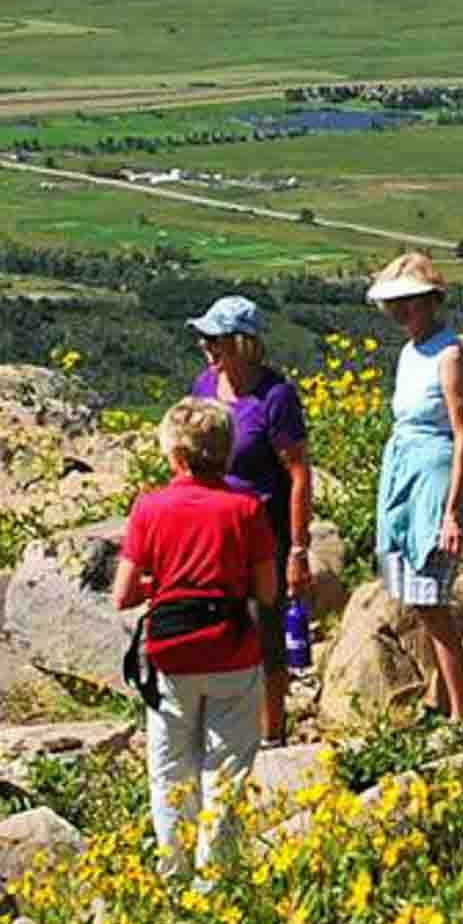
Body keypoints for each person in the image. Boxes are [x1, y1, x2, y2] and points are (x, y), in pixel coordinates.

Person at [114, 395, 282, 875]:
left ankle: (174, 875)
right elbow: (267, 592)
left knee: (170, 772)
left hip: (171, 656)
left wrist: (166, 583)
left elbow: (123, 595)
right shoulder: (247, 509)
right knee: (224, 771)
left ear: (177, 456)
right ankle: (217, 878)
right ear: (226, 453)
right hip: (232, 651)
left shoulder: (150, 508)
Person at [188, 295, 316, 742]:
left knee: (265, 633)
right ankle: (222, 727)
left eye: (214, 340)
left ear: (240, 343)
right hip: (213, 531)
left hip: (263, 533)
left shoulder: (275, 397)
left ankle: (271, 731)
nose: (206, 348)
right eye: (205, 340)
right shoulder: (204, 387)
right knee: (215, 627)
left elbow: (298, 472)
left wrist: (298, 549)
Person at [368, 251, 463, 720]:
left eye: (408, 303)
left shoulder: (450, 354)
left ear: (431, 301)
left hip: (433, 481)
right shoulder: (410, 353)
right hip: (404, 473)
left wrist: (452, 511)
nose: (401, 313)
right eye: (396, 305)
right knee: (415, 597)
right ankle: (441, 698)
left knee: (433, 601)